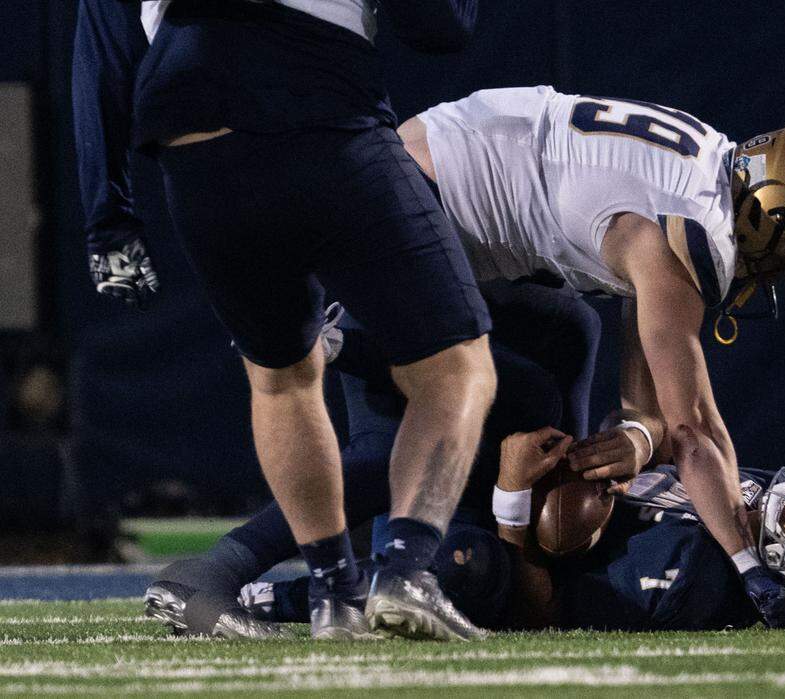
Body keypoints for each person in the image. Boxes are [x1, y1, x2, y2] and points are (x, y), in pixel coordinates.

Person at [72, 0, 495, 640]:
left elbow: (102, 46)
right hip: (319, 103)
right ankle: (405, 571)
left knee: (281, 377)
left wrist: (109, 215)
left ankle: (336, 596)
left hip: (194, 145)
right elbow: (438, 27)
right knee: (456, 368)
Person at [394, 86, 785, 606]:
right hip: (433, 193)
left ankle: (471, 547)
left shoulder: (705, 163)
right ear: (763, 218)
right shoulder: (695, 231)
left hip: (454, 159)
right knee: (406, 415)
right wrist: (748, 564)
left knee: (570, 336)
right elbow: (695, 430)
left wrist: (638, 436)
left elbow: (654, 403)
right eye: (781, 261)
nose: (769, 279)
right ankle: (360, 578)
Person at [145, 279, 601, 638]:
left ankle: (272, 594)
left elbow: (556, 464)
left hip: (472, 445)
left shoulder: (572, 318)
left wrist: (522, 502)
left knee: (471, 571)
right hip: (406, 312)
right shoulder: (584, 200)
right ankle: (222, 568)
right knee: (401, 450)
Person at [240, 427, 785, 633]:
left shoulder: (695, 583)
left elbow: (540, 609)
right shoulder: (752, 492)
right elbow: (675, 434)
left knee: (466, 568)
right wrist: (639, 438)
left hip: (505, 548)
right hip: (537, 470)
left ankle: (296, 594)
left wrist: (510, 496)